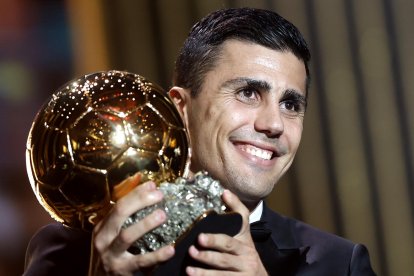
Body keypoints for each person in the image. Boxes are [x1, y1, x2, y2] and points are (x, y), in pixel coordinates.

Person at [24, 7, 376, 275]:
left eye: (290, 104)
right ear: (179, 109)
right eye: (249, 92)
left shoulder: (339, 263)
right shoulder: (68, 251)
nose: (274, 124)